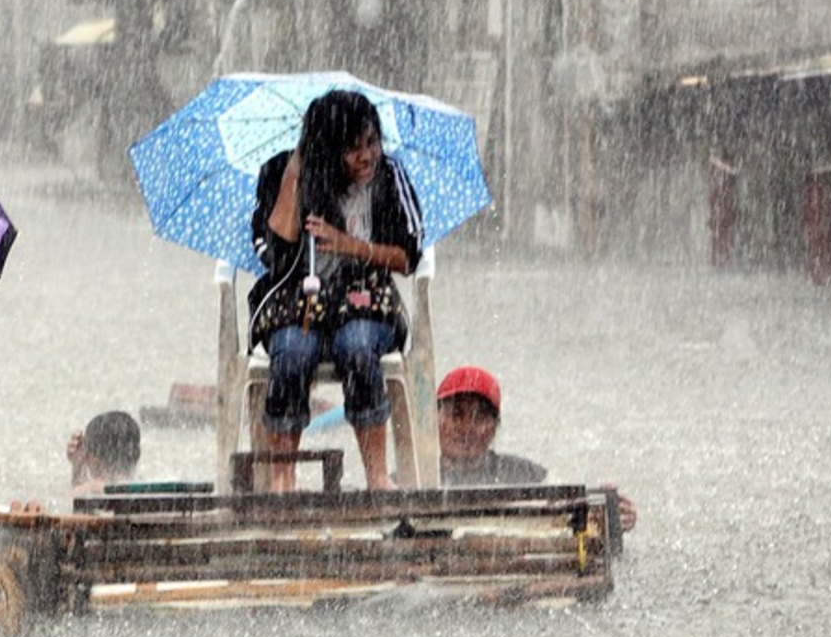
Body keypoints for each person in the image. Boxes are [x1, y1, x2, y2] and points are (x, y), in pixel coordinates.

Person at [248, 89, 424, 493]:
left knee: (358, 347)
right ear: (327, 149)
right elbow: (274, 252)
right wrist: (296, 172)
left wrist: (351, 246)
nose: (367, 157)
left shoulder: (389, 178)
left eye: (371, 143)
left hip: (365, 303)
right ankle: (283, 475)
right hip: (298, 305)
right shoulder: (282, 174)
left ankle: (377, 475)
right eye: (352, 148)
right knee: (291, 352)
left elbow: (407, 258)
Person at [437, 365, 638, 532]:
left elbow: (570, 514)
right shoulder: (414, 473)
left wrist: (607, 517)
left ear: (495, 428)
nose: (465, 428)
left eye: (478, 417)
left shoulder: (526, 475)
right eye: (456, 414)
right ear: (433, 419)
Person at [67, 410, 142, 497]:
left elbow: (73, 501)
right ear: (137, 454)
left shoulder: (90, 488)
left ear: (91, 457)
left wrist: (78, 467)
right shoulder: (141, 487)